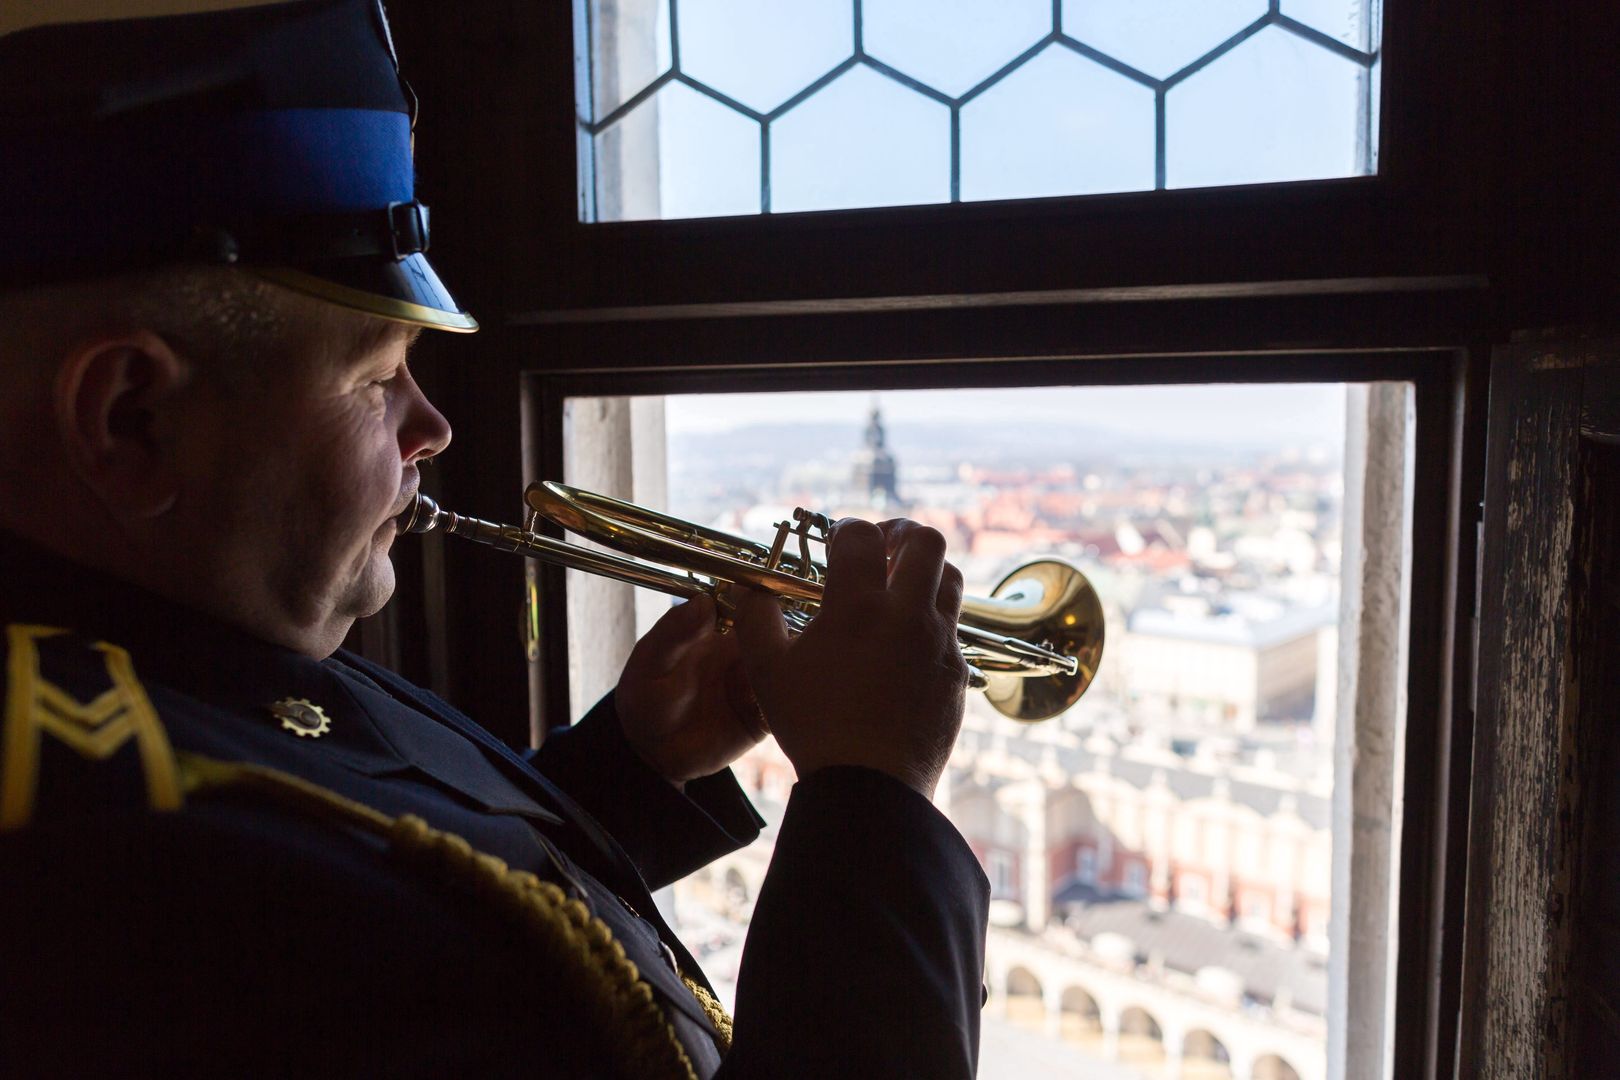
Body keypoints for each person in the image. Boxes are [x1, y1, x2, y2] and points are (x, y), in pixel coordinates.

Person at [0, 3, 990, 1077]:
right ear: (128, 417)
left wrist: (632, 768)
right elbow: (368, 943)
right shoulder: (128, 856)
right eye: (378, 377)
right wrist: (877, 804)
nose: (433, 428)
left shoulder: (200, 651)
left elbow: (407, 876)